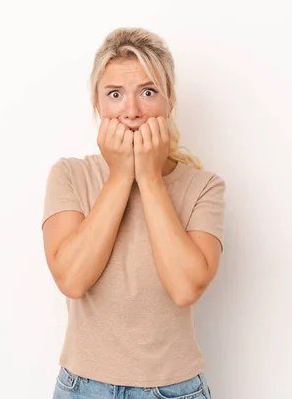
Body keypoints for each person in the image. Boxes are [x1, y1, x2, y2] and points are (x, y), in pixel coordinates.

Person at [42, 27, 225, 399]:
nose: (131, 112)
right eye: (115, 95)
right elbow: (72, 280)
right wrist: (122, 174)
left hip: (175, 391)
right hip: (82, 389)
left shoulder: (204, 186)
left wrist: (150, 176)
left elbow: (185, 287)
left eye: (148, 92)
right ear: (98, 105)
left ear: (169, 102)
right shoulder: (70, 175)